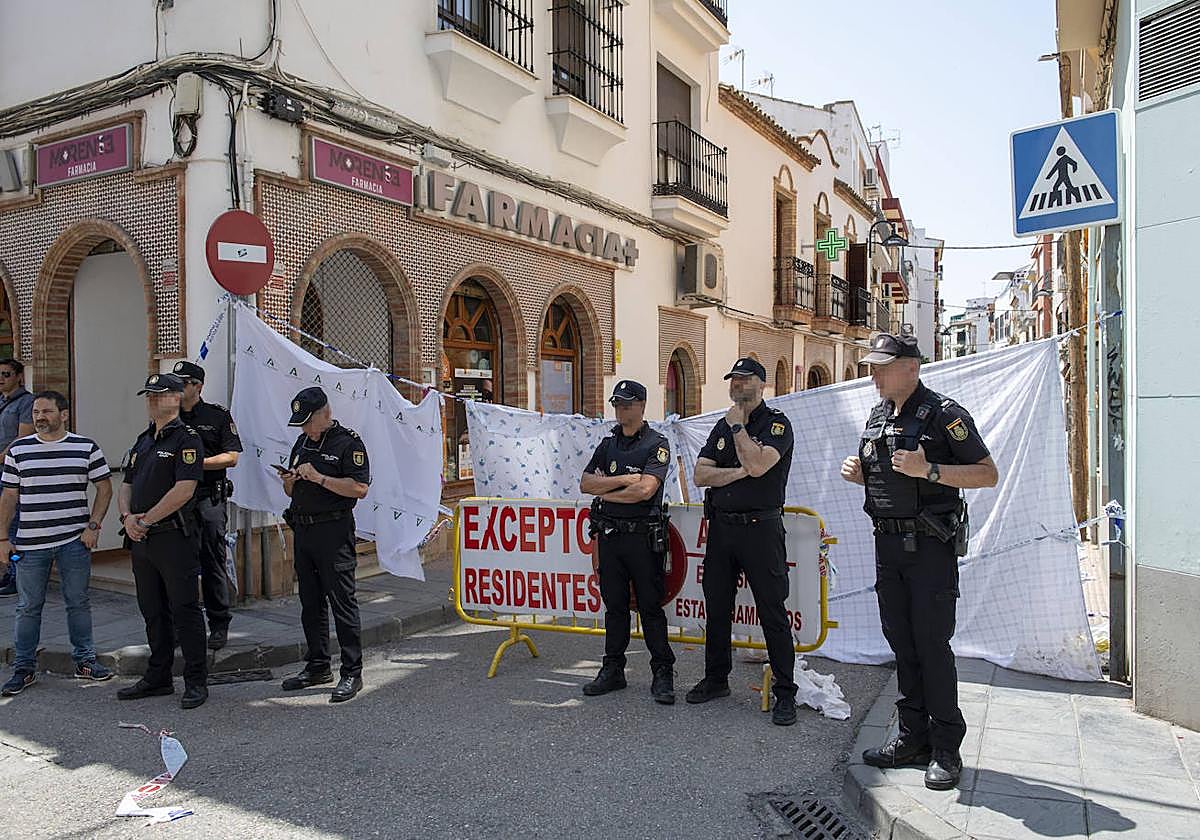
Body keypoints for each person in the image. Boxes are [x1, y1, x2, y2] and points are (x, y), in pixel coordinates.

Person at [841, 333, 998, 791]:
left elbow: (987, 474)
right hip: (888, 549)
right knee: (902, 645)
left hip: (930, 549)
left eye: (883, 366)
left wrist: (929, 470)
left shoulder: (946, 415)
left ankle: (946, 747)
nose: (874, 373)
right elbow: (889, 482)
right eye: (872, 365)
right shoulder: (878, 416)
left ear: (912, 367)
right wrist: (860, 476)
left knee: (931, 646)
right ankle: (912, 738)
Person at [688, 357, 799, 726]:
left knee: (772, 611)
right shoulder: (722, 426)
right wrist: (737, 472)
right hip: (722, 529)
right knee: (717, 607)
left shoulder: (776, 424)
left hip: (760, 530)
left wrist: (739, 434)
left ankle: (785, 692)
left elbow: (760, 465)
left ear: (761, 383)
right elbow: (701, 474)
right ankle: (716, 679)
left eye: (744, 378)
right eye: (732, 379)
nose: (736, 384)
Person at [0, 391, 114, 696]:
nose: (39, 417)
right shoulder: (19, 451)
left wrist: (93, 525)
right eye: (36, 412)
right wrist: (2, 538)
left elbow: (104, 487)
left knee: (78, 603)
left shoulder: (85, 447)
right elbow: (9, 497)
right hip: (30, 544)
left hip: (74, 543)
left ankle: (85, 661)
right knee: (28, 607)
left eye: (46, 411)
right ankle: (24, 669)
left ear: (64, 414)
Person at [579, 380, 676, 705]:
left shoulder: (656, 444)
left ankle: (663, 672)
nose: (621, 410)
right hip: (610, 537)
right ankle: (613, 670)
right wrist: (622, 480)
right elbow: (585, 484)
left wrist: (606, 490)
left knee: (650, 607)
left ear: (642, 405)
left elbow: (645, 490)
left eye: (626, 404)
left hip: (643, 538)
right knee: (615, 607)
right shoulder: (608, 445)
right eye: (617, 404)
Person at [116, 373, 209, 709]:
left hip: (173, 537)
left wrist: (145, 519)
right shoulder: (143, 440)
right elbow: (126, 484)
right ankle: (158, 677)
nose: (154, 400)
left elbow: (184, 490)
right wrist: (127, 519)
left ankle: (196, 681)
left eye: (161, 394)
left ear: (177, 396)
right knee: (152, 610)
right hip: (141, 539)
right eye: (149, 396)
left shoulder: (187, 439)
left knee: (184, 609)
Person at [277, 387, 370, 704]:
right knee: (311, 603)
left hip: (333, 531)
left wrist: (318, 478)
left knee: (342, 602)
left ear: (324, 415)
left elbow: (359, 488)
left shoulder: (348, 443)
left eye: (306, 421)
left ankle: (351, 672)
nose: (303, 428)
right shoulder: (302, 442)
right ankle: (317, 666)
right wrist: (290, 481)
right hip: (304, 531)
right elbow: (290, 492)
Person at [175, 360, 242, 650]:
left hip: (207, 498)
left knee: (212, 560)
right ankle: (184, 626)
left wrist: (195, 465)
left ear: (198, 386)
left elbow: (232, 457)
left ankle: (218, 623)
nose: (178, 388)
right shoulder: (168, 417)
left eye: (184, 383)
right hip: (176, 500)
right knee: (179, 565)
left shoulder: (217, 416)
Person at [0, 358, 35, 598]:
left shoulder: (27, 402)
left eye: (6, 374)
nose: (1, 378)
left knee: (13, 522)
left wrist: (2, 456)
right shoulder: (1, 402)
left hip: (11, 469)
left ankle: (16, 576)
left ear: (19, 377)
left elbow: (23, 438)